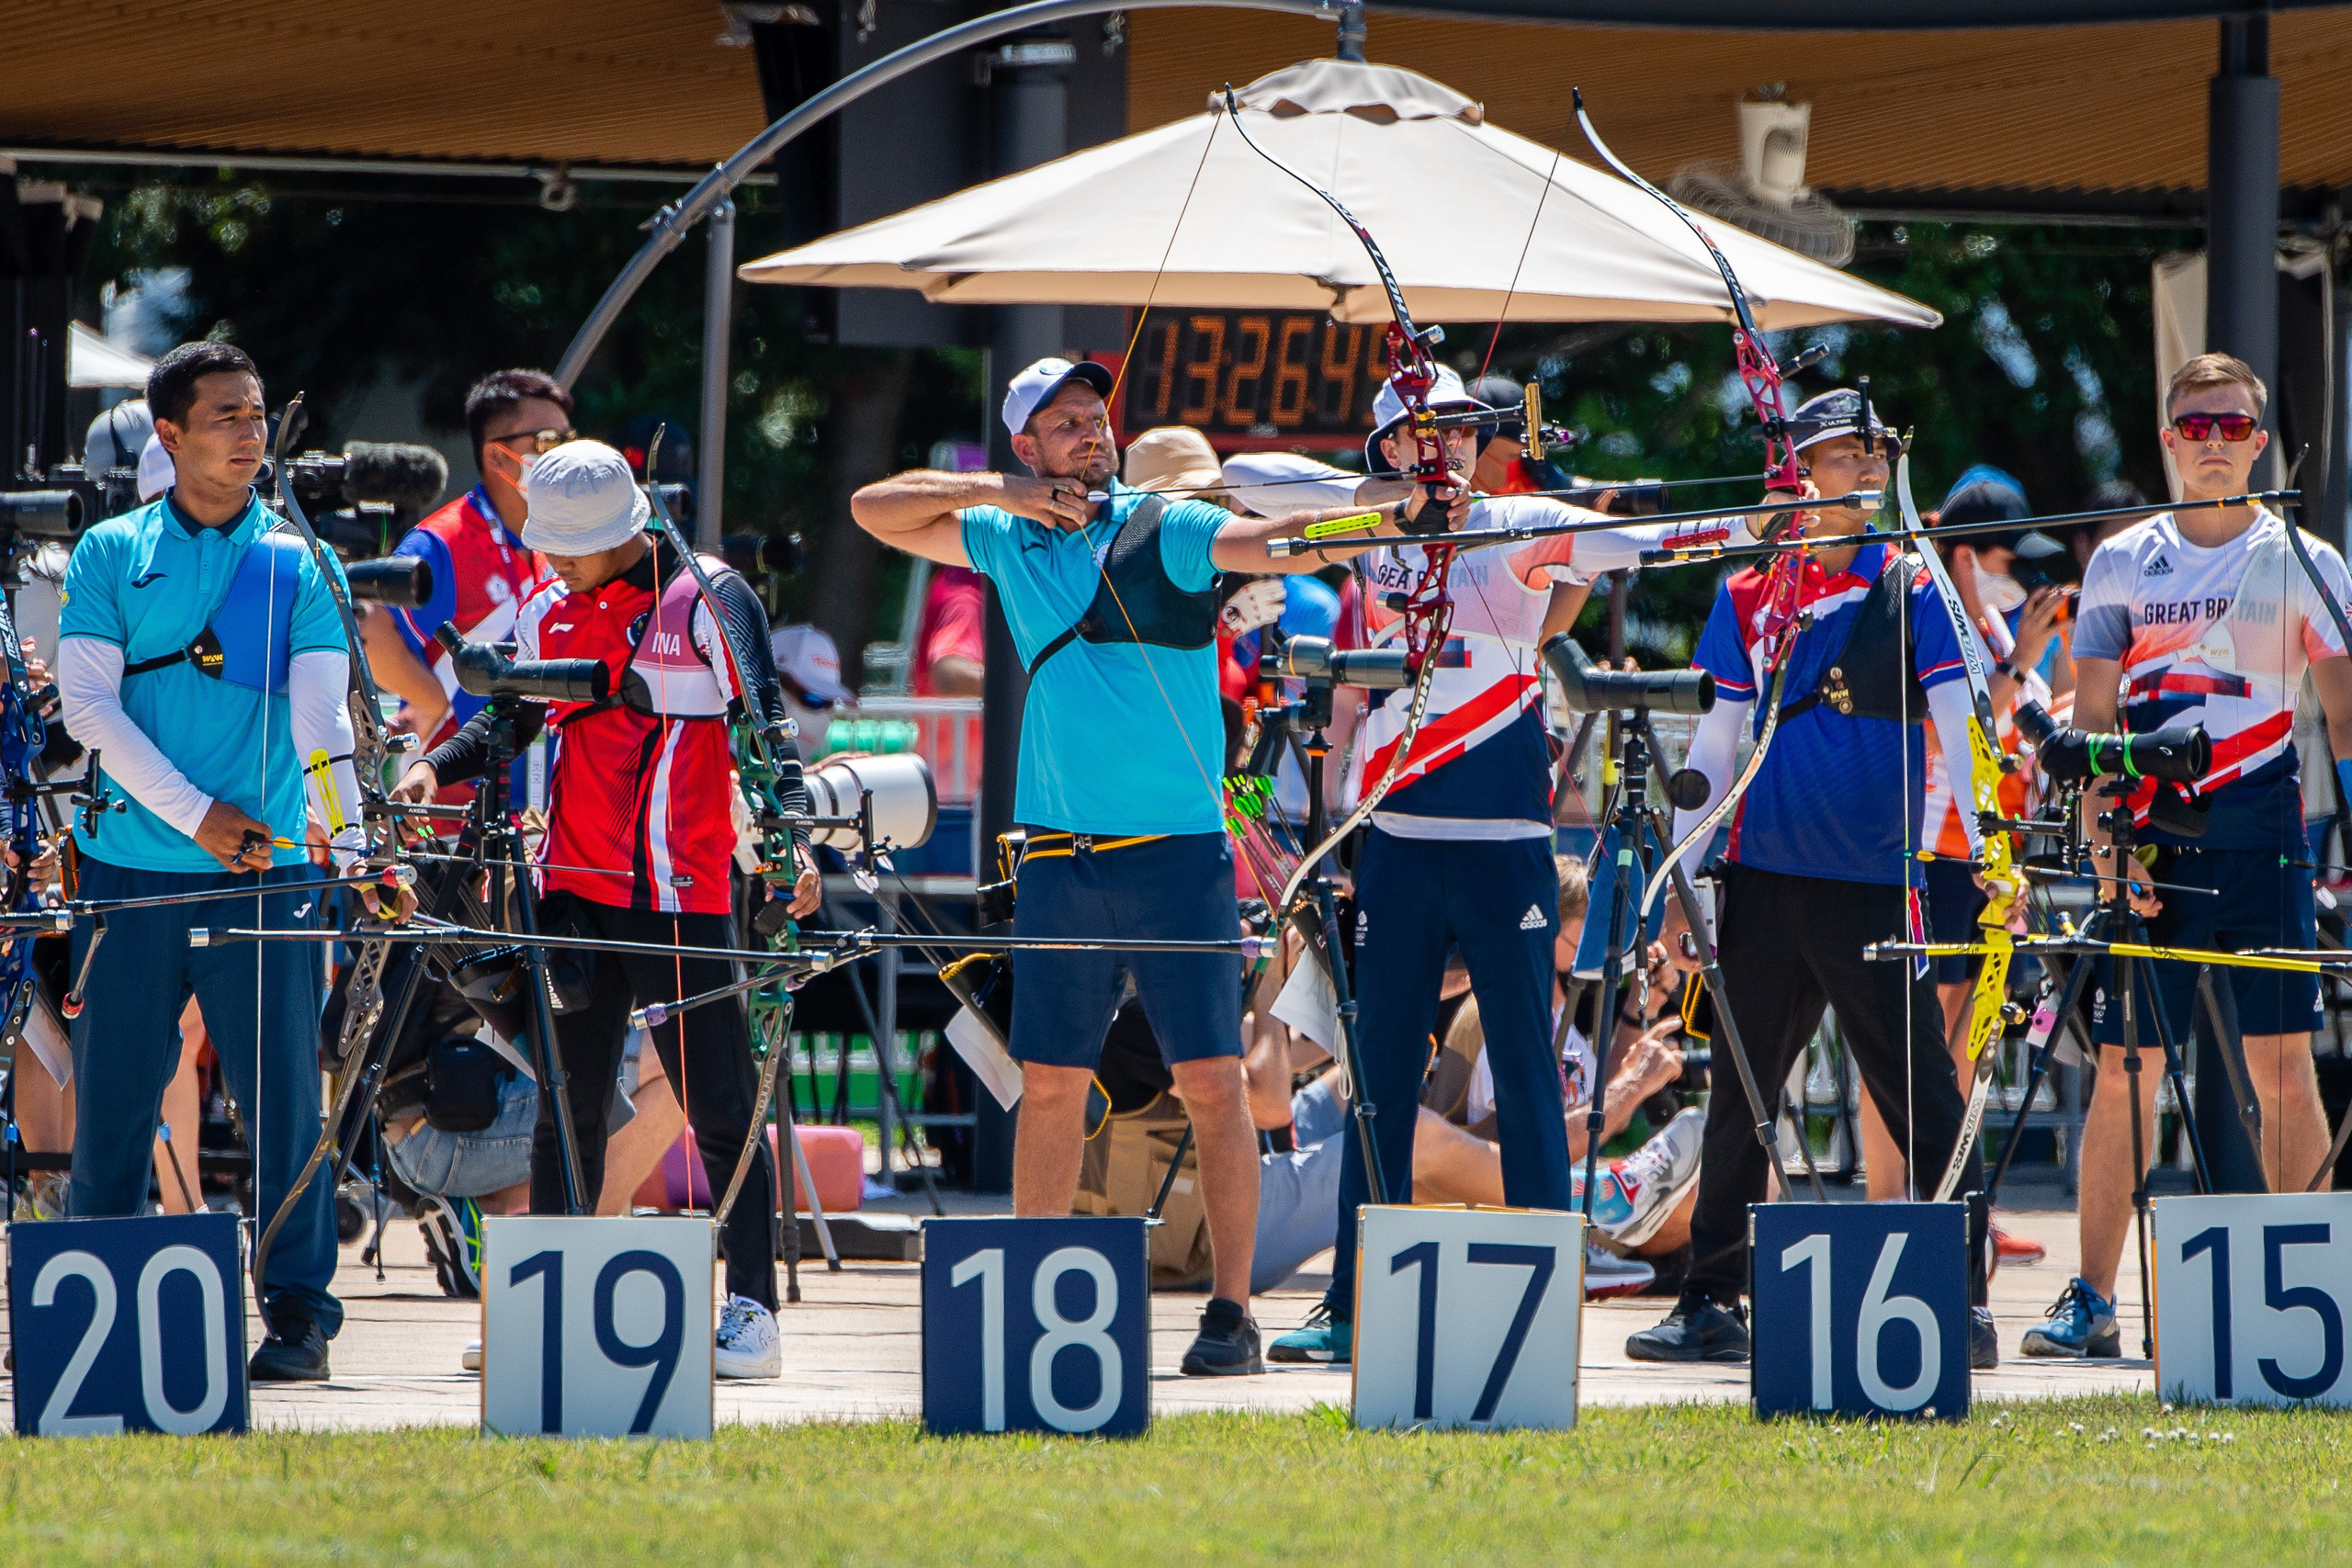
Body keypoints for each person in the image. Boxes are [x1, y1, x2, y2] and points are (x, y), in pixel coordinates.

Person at [850, 355, 1456, 1376]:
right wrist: (1006, 494)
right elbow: (876, 508)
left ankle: (1230, 1317)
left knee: (1212, 1084)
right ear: (1026, 447)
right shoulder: (1007, 534)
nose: (1091, 431)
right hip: (1058, 858)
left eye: (1096, 415)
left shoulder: (1161, 524)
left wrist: (1386, 510)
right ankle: (1035, 1297)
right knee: (1051, 1087)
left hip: (1175, 859)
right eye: (1064, 422)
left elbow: (1264, 542)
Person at [1251, 367, 1750, 1366]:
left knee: (1526, 1078)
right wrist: (1390, 501)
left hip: (1507, 856)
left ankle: (1537, 1305)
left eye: (1459, 432)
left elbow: (1650, 539)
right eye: (1421, 434)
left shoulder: (1517, 522)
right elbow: (1249, 479)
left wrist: (1756, 517)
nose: (1444, 449)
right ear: (1389, 447)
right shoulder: (1370, 533)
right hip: (1394, 850)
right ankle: (1349, 1305)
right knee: (1378, 1080)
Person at [392, 439, 823, 1380]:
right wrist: (435, 765)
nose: (550, 565)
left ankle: (751, 1309)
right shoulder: (550, 603)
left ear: (626, 531)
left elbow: (768, 731)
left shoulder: (709, 596)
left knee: (718, 1104)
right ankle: (545, 1302)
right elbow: (509, 714)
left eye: (567, 550)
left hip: (681, 899)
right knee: (569, 1102)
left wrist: (795, 851)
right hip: (571, 895)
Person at [1631, 388, 1995, 1367]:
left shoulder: (1912, 586)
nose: (1869, 472)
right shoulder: (1750, 594)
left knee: (1919, 1092)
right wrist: (1682, 873)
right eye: (1845, 457)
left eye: (1876, 456)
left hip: (1873, 885)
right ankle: (1710, 1296)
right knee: (1737, 1095)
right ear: (1793, 475)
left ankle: (1960, 1302)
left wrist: (1994, 852)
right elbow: (1713, 742)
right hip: (1760, 881)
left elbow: (1961, 725)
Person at [2023, 353, 2352, 1359]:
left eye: (2231, 425)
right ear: (2167, 441)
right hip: (2153, 847)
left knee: (2284, 1071)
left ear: (2258, 440)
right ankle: (2090, 1299)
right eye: (2193, 426)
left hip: (2265, 837)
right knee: (2129, 1067)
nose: (2212, 442)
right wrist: (2107, 848)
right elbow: (2090, 719)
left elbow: (2343, 725)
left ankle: (2306, 1286)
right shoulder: (2122, 560)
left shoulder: (2311, 560)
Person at [57, 340, 374, 1381]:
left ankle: (297, 1319)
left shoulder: (297, 561)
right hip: (130, 867)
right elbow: (89, 708)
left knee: (286, 1096)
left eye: (256, 416)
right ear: (171, 434)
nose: (250, 434)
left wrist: (357, 841)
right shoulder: (108, 551)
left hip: (271, 873)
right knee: (114, 1100)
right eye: (227, 416)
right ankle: (89, 1313)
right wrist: (196, 815)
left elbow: (324, 723)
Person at [1859, 468, 2062, 1269]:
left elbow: (2021, 731)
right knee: (1907, 1050)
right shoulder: (1927, 613)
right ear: (1968, 555)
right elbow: (1954, 734)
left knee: (1967, 1048)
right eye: (2012, 558)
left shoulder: (1997, 629)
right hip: (1927, 855)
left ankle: (1961, 1197)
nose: (2027, 577)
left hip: (1984, 865)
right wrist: (2032, 654)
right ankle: (1886, 1206)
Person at [366, 368, 565, 755]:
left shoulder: (552, 544)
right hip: (454, 799)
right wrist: (436, 704)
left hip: (535, 799)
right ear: (497, 456)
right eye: (546, 442)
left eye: (566, 441)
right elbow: (368, 627)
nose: (560, 455)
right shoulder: (444, 540)